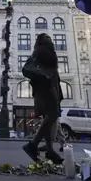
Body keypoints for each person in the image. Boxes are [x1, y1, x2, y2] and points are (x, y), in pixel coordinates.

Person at [21, 33, 64, 164]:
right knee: (51, 116)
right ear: (40, 41)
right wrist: (44, 75)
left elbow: (52, 73)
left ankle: (49, 149)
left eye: (50, 38)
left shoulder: (47, 53)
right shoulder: (40, 52)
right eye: (46, 38)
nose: (50, 39)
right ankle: (33, 145)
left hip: (50, 88)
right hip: (45, 88)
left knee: (50, 118)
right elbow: (29, 69)